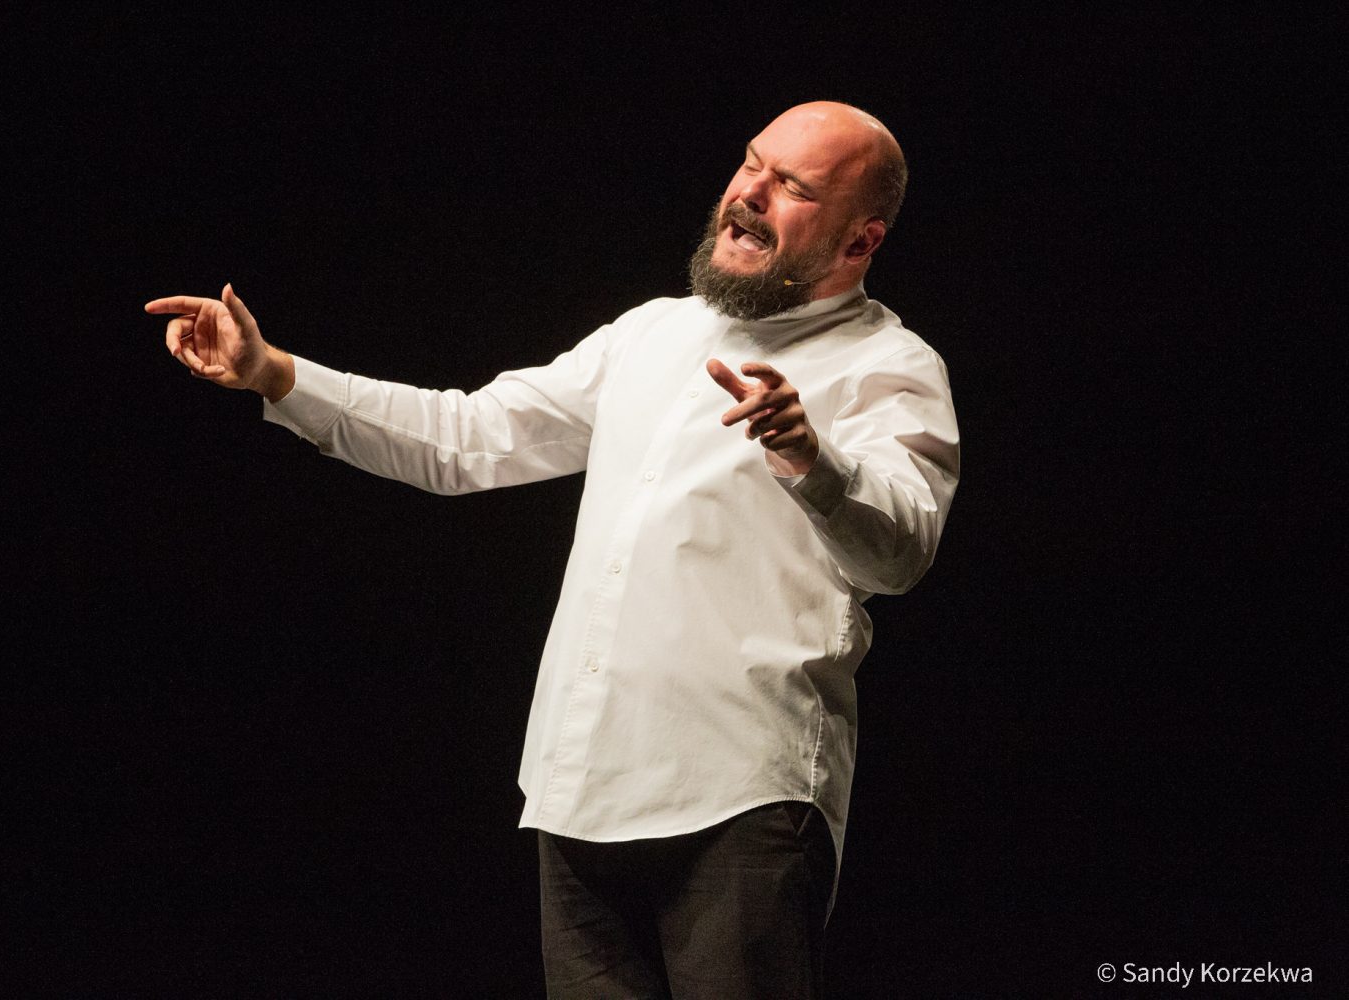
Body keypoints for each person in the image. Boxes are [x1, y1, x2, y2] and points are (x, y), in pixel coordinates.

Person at [147, 101, 959, 998]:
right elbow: (466, 438)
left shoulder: (889, 365)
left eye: (792, 186)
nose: (749, 194)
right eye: (750, 164)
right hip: (579, 787)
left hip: (742, 793)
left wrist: (814, 460)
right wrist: (274, 374)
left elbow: (901, 554)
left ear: (860, 240)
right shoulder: (652, 333)